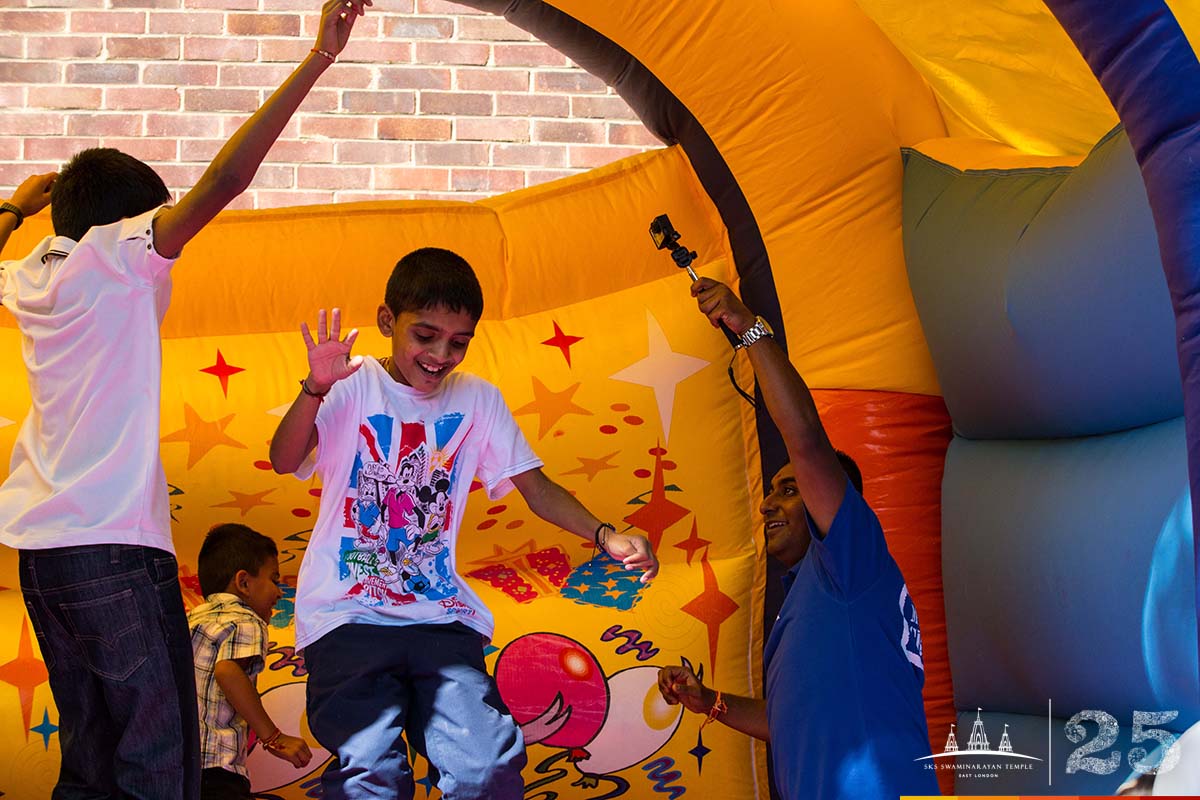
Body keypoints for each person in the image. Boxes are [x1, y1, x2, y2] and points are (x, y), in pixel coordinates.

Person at [0, 2, 368, 796]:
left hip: (39, 553)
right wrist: (317, 59)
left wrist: (15, 208)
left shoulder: (30, 273)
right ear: (132, 220)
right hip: (111, 549)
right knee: (161, 765)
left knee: (91, 762)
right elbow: (226, 181)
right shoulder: (120, 256)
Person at [269, 247, 659, 800]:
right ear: (388, 322)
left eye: (458, 342)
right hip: (347, 615)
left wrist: (604, 533)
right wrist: (315, 389)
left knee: (487, 770)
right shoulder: (352, 387)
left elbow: (537, 487)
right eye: (424, 336)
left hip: (440, 620)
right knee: (372, 777)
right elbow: (286, 459)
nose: (439, 355)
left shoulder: (478, 399)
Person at [657, 278, 939, 800]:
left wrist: (749, 329)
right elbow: (793, 722)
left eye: (789, 490)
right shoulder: (819, 594)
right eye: (771, 490)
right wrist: (710, 703)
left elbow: (805, 438)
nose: (768, 503)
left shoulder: (853, 561)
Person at [190, 524, 313, 799]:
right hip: (216, 770)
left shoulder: (193, 620)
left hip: (175, 767)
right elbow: (228, 670)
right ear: (244, 583)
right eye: (274, 579)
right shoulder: (245, 619)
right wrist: (274, 738)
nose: (280, 593)